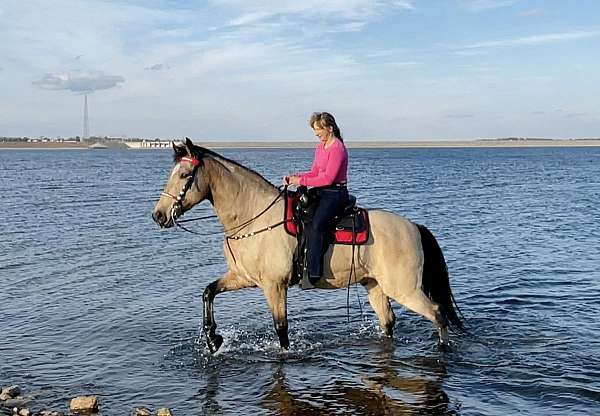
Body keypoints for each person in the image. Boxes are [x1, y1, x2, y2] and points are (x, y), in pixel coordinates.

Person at [284, 112, 349, 288]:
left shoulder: (338, 148)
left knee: (318, 224)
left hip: (335, 193)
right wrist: (295, 178)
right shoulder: (320, 147)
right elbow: (314, 173)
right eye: (315, 130)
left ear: (330, 128)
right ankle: (298, 263)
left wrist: (301, 181)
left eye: (319, 130)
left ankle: (313, 273)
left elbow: (328, 178)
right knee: (299, 216)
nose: (316, 133)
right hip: (321, 192)